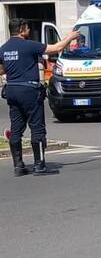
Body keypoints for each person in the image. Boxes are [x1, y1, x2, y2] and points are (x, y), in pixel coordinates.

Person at [0, 19, 79, 176]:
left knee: (16, 129)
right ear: (22, 29)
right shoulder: (30, 45)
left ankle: (18, 166)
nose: (29, 30)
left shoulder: (3, 48)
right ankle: (39, 165)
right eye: (27, 27)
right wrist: (71, 36)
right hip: (29, 91)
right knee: (37, 128)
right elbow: (57, 48)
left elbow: (1, 70)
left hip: (12, 90)